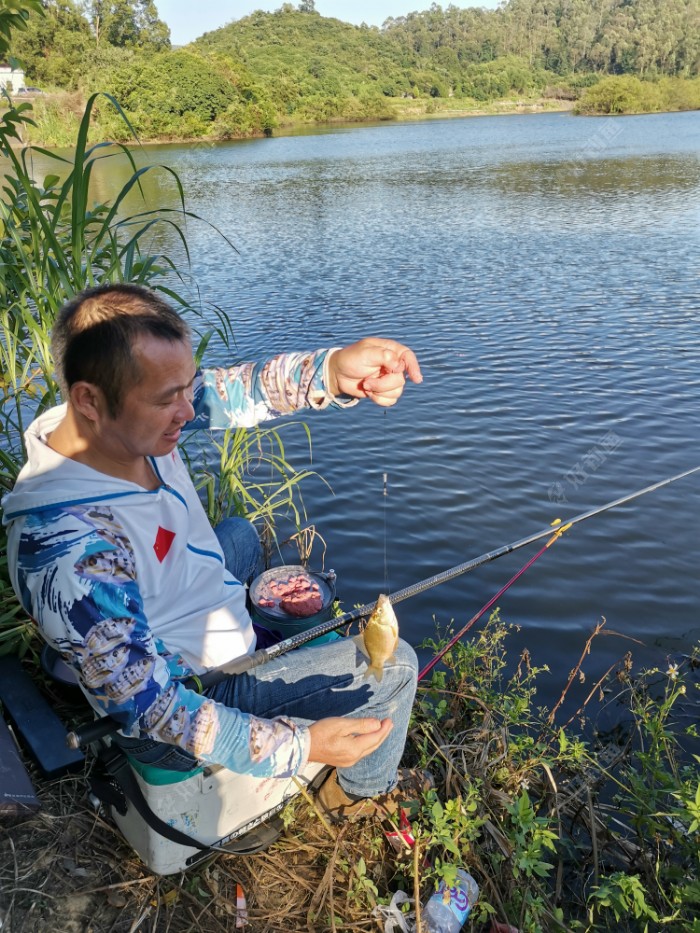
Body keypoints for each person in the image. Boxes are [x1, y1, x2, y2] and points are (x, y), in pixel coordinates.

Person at [3, 283, 428, 821]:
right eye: (168, 399)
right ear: (89, 399)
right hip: (189, 691)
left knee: (240, 535)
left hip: (180, 614)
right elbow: (152, 711)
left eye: (187, 387)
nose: (189, 410)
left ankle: (274, 652)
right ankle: (356, 796)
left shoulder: (104, 422)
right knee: (399, 668)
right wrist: (299, 747)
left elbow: (232, 391)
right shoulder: (68, 550)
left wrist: (334, 371)